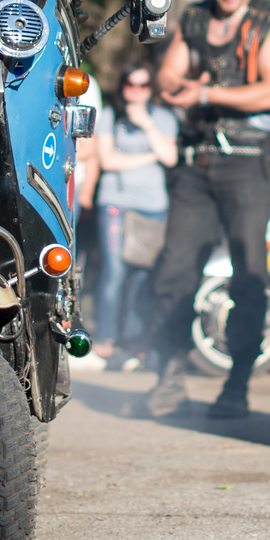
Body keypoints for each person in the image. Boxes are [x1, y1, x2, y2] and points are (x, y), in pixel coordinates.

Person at [144, 0, 270, 419]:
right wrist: (175, 89)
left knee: (248, 275)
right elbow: (167, 75)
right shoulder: (194, 18)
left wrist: (204, 90)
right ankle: (170, 375)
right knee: (174, 270)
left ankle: (237, 383)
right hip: (196, 163)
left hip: (247, 162)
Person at [93, 65, 177, 365]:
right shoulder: (110, 116)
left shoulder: (163, 118)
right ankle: (106, 337)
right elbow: (107, 161)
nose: (136, 90)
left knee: (143, 275)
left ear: (151, 88)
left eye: (143, 85)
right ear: (123, 85)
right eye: (131, 84)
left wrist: (147, 126)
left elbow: (170, 157)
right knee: (115, 273)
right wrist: (150, 156)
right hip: (116, 203)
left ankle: (135, 338)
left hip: (153, 205)